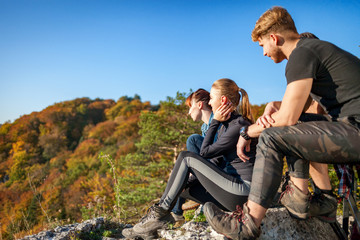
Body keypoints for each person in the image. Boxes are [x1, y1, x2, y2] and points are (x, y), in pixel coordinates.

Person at [203, 6, 360, 240]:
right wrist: (278, 104)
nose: (264, 53)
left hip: (355, 131)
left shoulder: (300, 54)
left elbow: (287, 119)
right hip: (351, 128)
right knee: (296, 126)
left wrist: (247, 132)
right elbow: (303, 108)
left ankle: (249, 222)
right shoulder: (314, 50)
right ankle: (318, 200)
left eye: (262, 45)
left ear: (274, 38)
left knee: (271, 135)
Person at [122, 78, 257, 239]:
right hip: (230, 193)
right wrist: (182, 181)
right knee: (182, 187)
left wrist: (214, 121)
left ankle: (157, 216)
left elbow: (205, 152)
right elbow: (213, 161)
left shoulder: (236, 125)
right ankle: (157, 222)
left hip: (242, 192)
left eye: (212, 98)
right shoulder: (228, 125)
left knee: (186, 157)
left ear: (223, 100)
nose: (210, 103)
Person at [171, 89, 218, 220]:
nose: (189, 112)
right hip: (210, 168)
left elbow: (213, 154)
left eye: (190, 107)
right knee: (181, 174)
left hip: (219, 171)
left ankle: (176, 213)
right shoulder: (205, 127)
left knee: (192, 139)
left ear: (199, 105)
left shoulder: (217, 120)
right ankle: (176, 214)